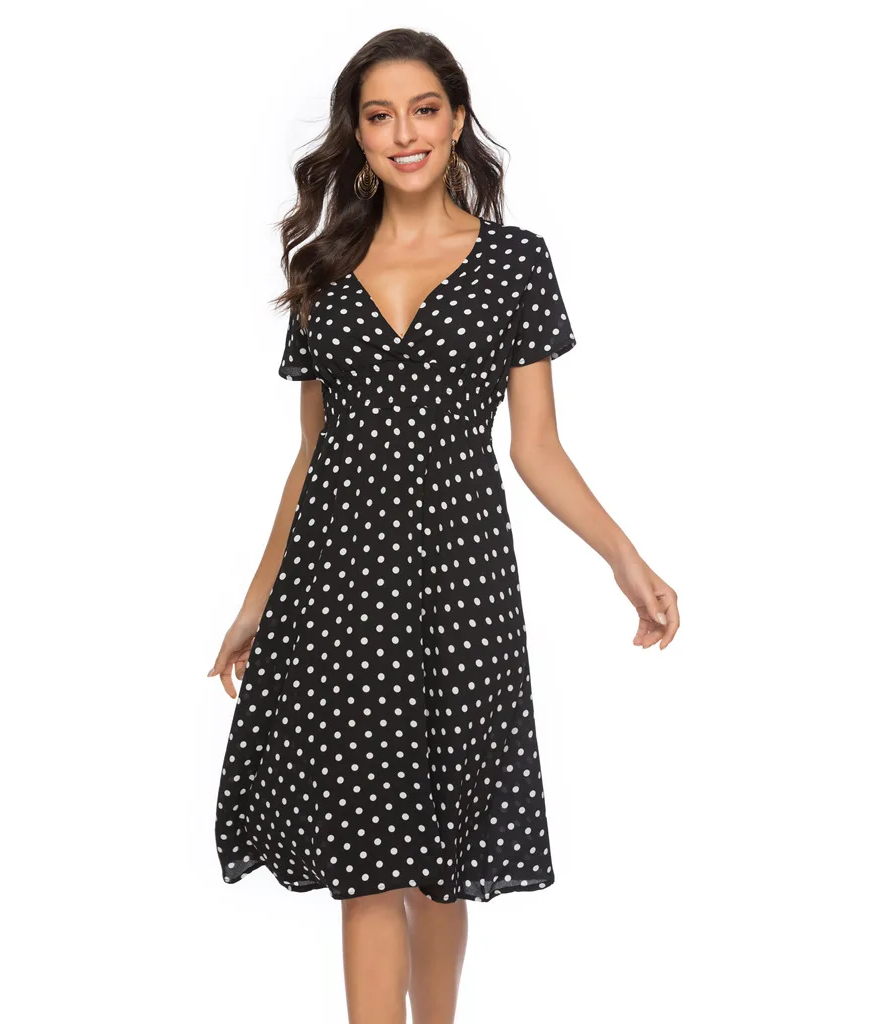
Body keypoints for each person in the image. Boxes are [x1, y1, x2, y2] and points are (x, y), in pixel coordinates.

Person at [207, 27, 680, 1024]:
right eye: (379, 116)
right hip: (340, 589)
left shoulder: (513, 263)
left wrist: (624, 560)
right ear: (358, 133)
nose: (403, 133)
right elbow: (310, 457)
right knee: (367, 862)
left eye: (423, 110)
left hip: (462, 586)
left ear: (456, 120)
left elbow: (536, 447)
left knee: (442, 862)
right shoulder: (323, 267)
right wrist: (256, 602)